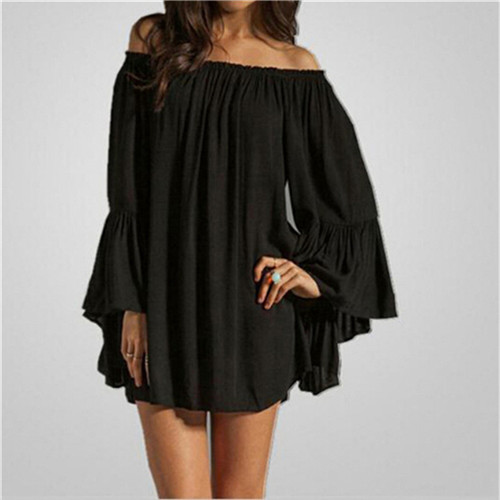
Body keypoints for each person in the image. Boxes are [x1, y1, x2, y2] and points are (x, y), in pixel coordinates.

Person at [81, 1, 398, 498]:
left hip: (254, 309)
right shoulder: (154, 40)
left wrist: (312, 274)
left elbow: (346, 197)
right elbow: (127, 187)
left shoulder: (293, 67)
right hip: (163, 301)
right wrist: (131, 302)